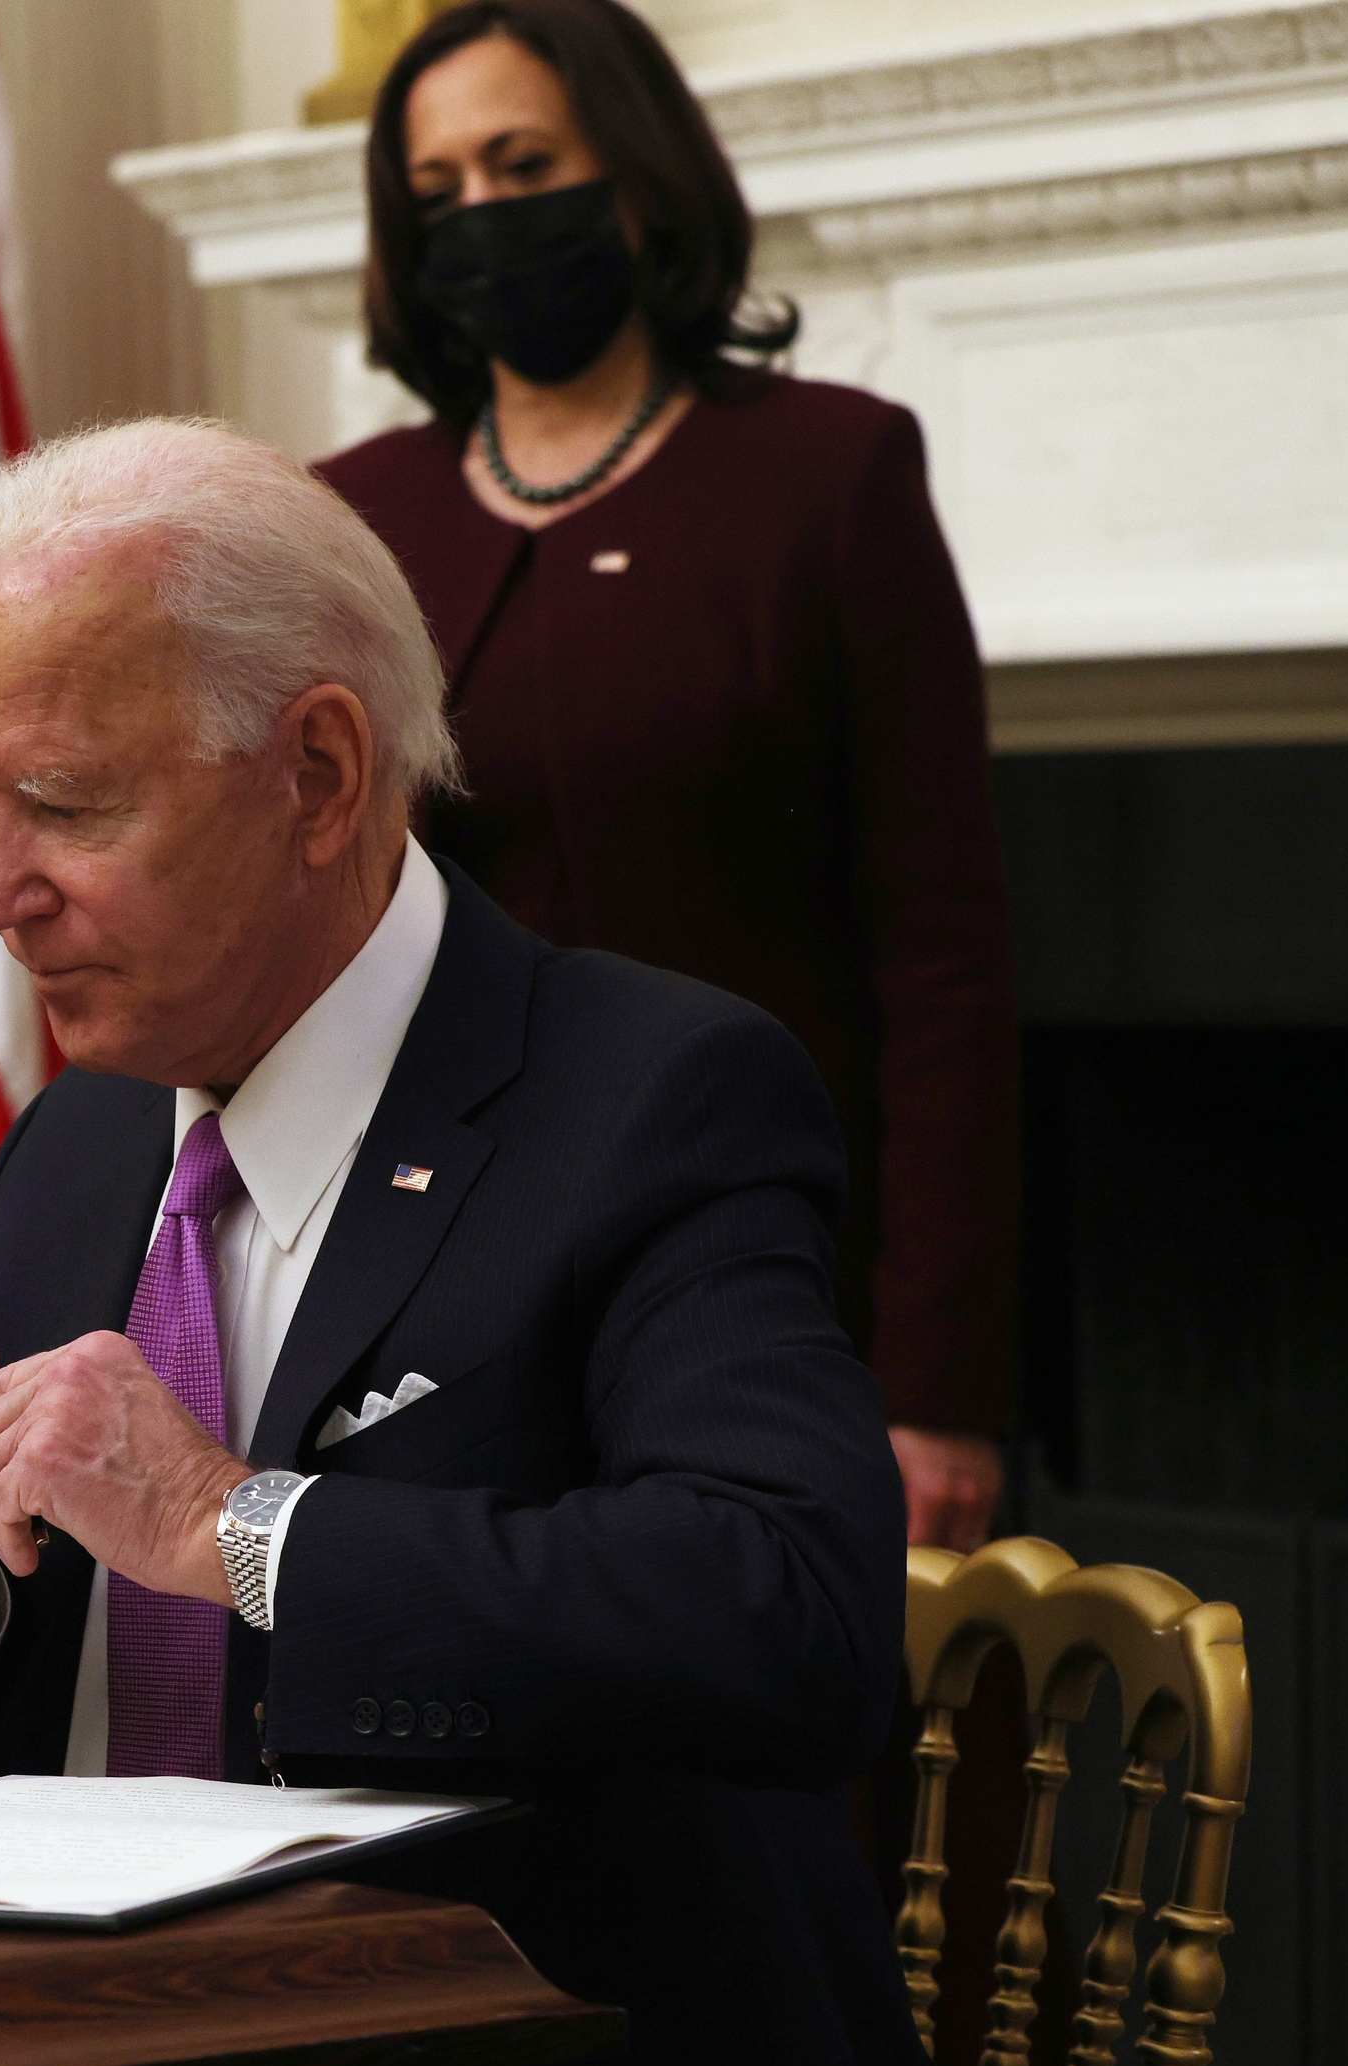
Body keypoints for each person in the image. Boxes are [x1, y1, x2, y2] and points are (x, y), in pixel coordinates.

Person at [0, 417, 969, 2066]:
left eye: (68, 804)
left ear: (320, 777)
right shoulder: (74, 1151)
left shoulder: (653, 1096)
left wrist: (233, 1525)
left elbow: (789, 1618)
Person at [317, 0, 1020, 1551]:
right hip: (440, 1297)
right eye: (438, 195)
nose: (484, 217)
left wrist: (942, 1381)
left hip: (769, 1272)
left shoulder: (832, 473)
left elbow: (946, 956)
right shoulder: (349, 520)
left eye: (524, 163)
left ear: (638, 179)